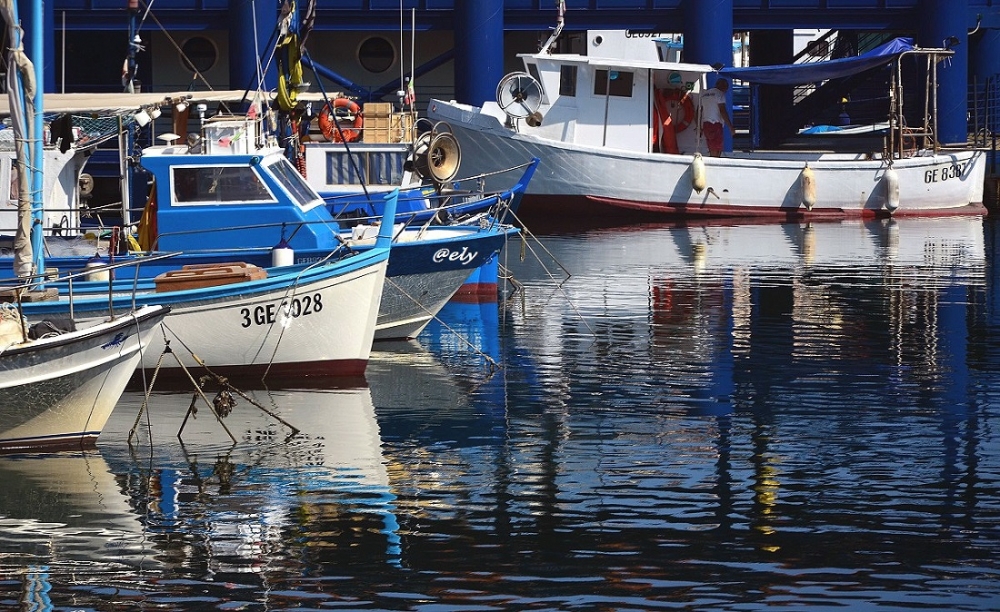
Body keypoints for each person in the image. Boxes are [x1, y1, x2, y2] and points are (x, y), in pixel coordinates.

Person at [699, 78, 735, 157]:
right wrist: (730, 127)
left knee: (712, 147)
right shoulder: (720, 94)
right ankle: (714, 166)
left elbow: (698, 112)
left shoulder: (704, 95)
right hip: (715, 124)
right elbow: (722, 111)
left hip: (706, 125)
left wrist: (699, 126)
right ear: (725, 88)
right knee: (716, 149)